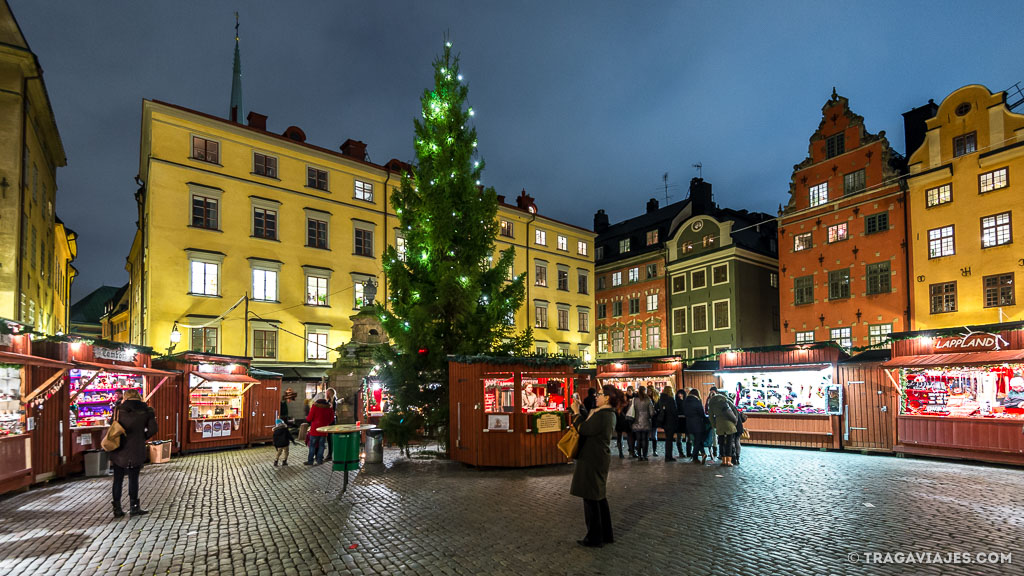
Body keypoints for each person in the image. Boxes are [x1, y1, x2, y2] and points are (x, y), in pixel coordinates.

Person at [570, 384, 622, 548]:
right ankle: (605, 534)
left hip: (592, 458)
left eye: (599, 394)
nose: (596, 396)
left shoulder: (604, 415)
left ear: (607, 397)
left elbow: (585, 429)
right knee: (598, 496)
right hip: (597, 457)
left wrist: (577, 414)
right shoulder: (604, 413)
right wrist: (581, 408)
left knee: (591, 497)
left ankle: (594, 537)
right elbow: (591, 424)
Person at [109, 389, 157, 518]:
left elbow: (111, 424)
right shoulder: (147, 411)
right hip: (136, 447)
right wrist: (142, 437)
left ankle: (117, 508)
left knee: (117, 479)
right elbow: (153, 429)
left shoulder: (118, 410)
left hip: (119, 448)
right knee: (133, 478)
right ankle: (134, 507)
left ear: (125, 397)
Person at [708, 389, 738, 467]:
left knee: (721, 442)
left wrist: (714, 425)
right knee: (729, 442)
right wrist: (735, 421)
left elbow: (711, 417)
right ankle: (729, 461)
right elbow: (735, 410)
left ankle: (723, 461)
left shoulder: (711, 404)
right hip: (729, 423)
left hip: (719, 424)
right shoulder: (726, 401)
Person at [305, 393, 334, 465]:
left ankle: (310, 461)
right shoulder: (329, 407)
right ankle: (319, 460)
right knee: (321, 446)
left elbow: (309, 418)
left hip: (315, 430)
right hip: (324, 430)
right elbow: (331, 419)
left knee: (312, 446)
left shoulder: (315, 407)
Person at [682, 388, 707, 464]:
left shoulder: (685, 401)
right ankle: (695, 456)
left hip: (689, 424)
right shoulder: (697, 401)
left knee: (695, 440)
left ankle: (702, 454)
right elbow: (702, 413)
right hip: (698, 424)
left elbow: (684, 412)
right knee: (698, 440)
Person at [630, 386, 655, 461]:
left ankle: (639, 456)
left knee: (638, 439)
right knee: (645, 439)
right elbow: (651, 412)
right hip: (646, 422)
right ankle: (645, 455)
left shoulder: (634, 400)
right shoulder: (648, 400)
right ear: (644, 391)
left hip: (636, 422)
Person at [656, 385, 678, 461]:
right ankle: (669, 456)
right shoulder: (671, 399)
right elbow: (674, 411)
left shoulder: (661, 399)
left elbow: (656, 408)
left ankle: (667, 456)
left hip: (664, 421)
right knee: (669, 439)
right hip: (670, 421)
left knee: (667, 439)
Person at [324, 387, 339, 460]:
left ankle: (330, 454)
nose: (325, 394)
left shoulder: (332, 402)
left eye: (327, 393)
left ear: (329, 393)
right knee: (329, 438)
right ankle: (330, 453)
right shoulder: (332, 401)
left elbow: (331, 412)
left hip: (331, 421)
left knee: (330, 438)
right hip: (331, 421)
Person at [646, 385, 660, 457]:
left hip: (653, 419)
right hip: (647, 418)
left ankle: (654, 450)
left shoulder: (655, 398)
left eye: (649, 391)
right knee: (647, 436)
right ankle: (647, 451)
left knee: (654, 436)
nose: (648, 392)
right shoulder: (646, 398)